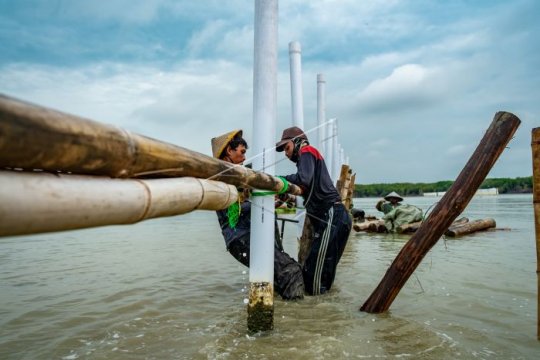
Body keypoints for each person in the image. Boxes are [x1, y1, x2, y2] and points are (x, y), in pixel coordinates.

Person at [211, 129, 304, 300]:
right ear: (228, 151)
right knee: (291, 271)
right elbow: (235, 209)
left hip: (245, 236)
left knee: (278, 275)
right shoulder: (223, 178)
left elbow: (245, 205)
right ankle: (298, 322)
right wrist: (263, 203)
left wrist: (269, 203)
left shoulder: (236, 178)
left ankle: (279, 314)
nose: (245, 157)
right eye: (242, 152)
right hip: (241, 237)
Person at [275, 126, 352, 295]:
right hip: (335, 217)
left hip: (332, 215)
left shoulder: (307, 151)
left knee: (314, 273)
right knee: (320, 272)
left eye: (286, 148)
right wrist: (287, 197)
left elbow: (304, 180)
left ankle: (314, 314)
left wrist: (277, 180)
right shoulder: (308, 157)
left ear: (297, 142)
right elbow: (307, 187)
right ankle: (323, 315)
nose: (286, 154)